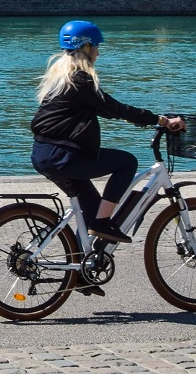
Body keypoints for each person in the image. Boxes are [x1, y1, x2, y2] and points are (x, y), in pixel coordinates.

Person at [30, 21, 182, 254]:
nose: (99, 52)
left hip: (45, 154)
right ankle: (102, 223)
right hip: (62, 156)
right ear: (87, 48)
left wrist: (143, 118)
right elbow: (115, 109)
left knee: (91, 211)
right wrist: (161, 121)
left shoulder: (61, 80)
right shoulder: (80, 80)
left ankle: (82, 269)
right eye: (96, 47)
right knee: (127, 162)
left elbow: (106, 110)